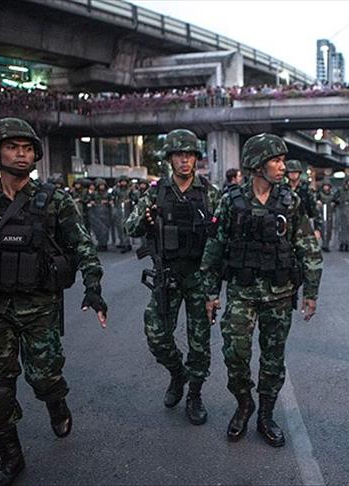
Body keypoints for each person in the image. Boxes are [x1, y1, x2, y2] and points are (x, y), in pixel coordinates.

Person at [0, 117, 107, 486]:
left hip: (40, 309)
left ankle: (56, 402)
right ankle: (11, 457)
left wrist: (93, 288)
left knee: (44, 377)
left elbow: (82, 246)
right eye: (12, 147)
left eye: (26, 149)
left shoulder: (55, 201)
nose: (20, 154)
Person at [201, 133, 322, 447]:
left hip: (279, 294)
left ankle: (266, 415)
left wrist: (311, 292)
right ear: (257, 165)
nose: (283, 167)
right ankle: (244, 404)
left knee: (272, 361)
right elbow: (215, 248)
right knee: (235, 355)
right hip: (241, 293)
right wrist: (211, 293)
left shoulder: (290, 202)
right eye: (276, 161)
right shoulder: (231, 201)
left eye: (283, 161)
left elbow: (308, 248)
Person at [124, 129, 220, 425]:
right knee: (156, 335)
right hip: (168, 276)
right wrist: (146, 219)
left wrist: (214, 289)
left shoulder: (210, 193)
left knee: (199, 343)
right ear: (170, 159)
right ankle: (178, 374)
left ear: (196, 159)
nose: (185, 160)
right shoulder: (156, 192)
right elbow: (131, 227)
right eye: (179, 155)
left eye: (189, 155)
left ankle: (195, 394)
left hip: (199, 278)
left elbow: (221, 240)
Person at [283, 160, 318, 236]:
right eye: (291, 172)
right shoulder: (284, 189)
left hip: (304, 224)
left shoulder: (306, 188)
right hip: (287, 224)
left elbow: (314, 209)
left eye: (295, 172)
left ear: (299, 173)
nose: (293, 175)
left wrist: (316, 228)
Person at [87, 178, 112, 251]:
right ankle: (100, 243)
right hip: (96, 213)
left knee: (105, 230)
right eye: (100, 185)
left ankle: (104, 244)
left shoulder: (108, 194)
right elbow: (89, 200)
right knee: (97, 230)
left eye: (103, 185)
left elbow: (111, 202)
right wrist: (92, 203)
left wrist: (107, 202)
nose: (102, 187)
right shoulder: (94, 194)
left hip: (105, 214)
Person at [334, 176, 349, 251]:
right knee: (342, 227)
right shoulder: (340, 190)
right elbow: (335, 197)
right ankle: (342, 243)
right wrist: (338, 200)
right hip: (341, 207)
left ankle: (347, 243)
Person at [111, 175, 133, 253]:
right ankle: (122, 242)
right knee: (119, 228)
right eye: (122, 181)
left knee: (125, 228)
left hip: (127, 210)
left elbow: (134, 198)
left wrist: (129, 200)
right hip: (118, 210)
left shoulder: (130, 190)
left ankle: (127, 244)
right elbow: (113, 196)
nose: (123, 183)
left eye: (124, 181)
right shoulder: (117, 189)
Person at [316, 179, 335, 252]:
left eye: (327, 186)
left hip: (329, 212)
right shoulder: (319, 194)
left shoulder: (332, 194)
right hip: (322, 212)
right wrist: (318, 203)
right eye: (325, 186)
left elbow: (335, 200)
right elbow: (315, 200)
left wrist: (333, 203)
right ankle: (324, 243)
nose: (326, 187)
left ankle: (327, 243)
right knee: (323, 228)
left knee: (329, 228)